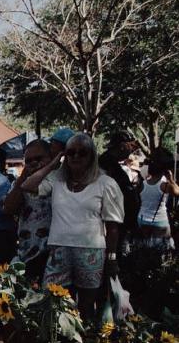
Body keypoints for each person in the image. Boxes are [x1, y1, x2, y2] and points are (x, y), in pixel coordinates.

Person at [19, 133, 123, 320]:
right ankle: (60, 341)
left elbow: (113, 225)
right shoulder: (57, 179)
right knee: (53, 302)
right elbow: (27, 185)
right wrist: (53, 163)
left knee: (86, 306)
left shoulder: (105, 183)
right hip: (59, 250)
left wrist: (112, 258)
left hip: (90, 253)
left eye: (82, 153)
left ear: (91, 156)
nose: (75, 156)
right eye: (71, 152)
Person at [3, 139, 53, 281]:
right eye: (29, 160)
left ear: (50, 157)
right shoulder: (21, 184)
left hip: (54, 256)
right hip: (28, 254)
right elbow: (8, 208)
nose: (34, 163)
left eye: (39, 158)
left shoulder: (59, 181)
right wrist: (23, 177)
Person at [99, 130, 140, 248]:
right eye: (132, 146)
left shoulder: (112, 164)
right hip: (112, 225)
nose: (133, 150)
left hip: (120, 223)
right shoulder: (106, 164)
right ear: (123, 146)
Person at [135, 147, 178, 252]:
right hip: (159, 221)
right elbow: (177, 191)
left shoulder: (143, 183)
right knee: (162, 250)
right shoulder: (164, 185)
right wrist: (171, 179)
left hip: (142, 218)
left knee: (145, 249)